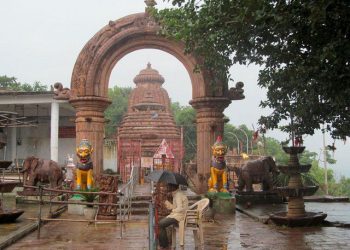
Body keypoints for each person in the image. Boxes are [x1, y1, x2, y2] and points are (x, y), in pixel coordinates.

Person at [158, 183, 188, 249]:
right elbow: (176, 207)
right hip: (176, 215)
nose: (168, 188)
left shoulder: (178, 195)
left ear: (173, 187)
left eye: (169, 186)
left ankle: (164, 245)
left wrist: (173, 211)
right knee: (160, 223)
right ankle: (164, 244)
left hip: (179, 216)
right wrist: (169, 205)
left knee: (160, 224)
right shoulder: (176, 194)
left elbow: (180, 208)